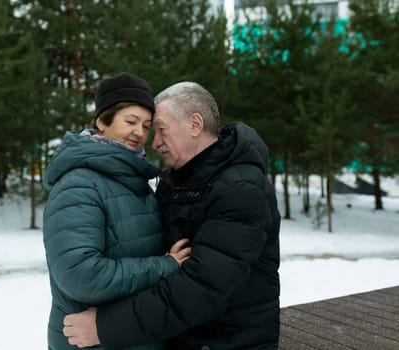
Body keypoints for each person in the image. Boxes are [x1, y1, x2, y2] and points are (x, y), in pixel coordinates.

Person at [63, 81, 281, 350]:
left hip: (228, 342)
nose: (153, 142)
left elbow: (202, 287)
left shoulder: (240, 188)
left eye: (159, 129)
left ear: (194, 124)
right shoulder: (177, 183)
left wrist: (105, 327)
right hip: (182, 338)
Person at [42, 72, 191, 350]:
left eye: (147, 126)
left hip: (129, 335)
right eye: (131, 121)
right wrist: (164, 266)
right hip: (88, 342)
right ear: (102, 121)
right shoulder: (79, 184)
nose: (139, 133)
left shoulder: (136, 182)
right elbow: (82, 276)